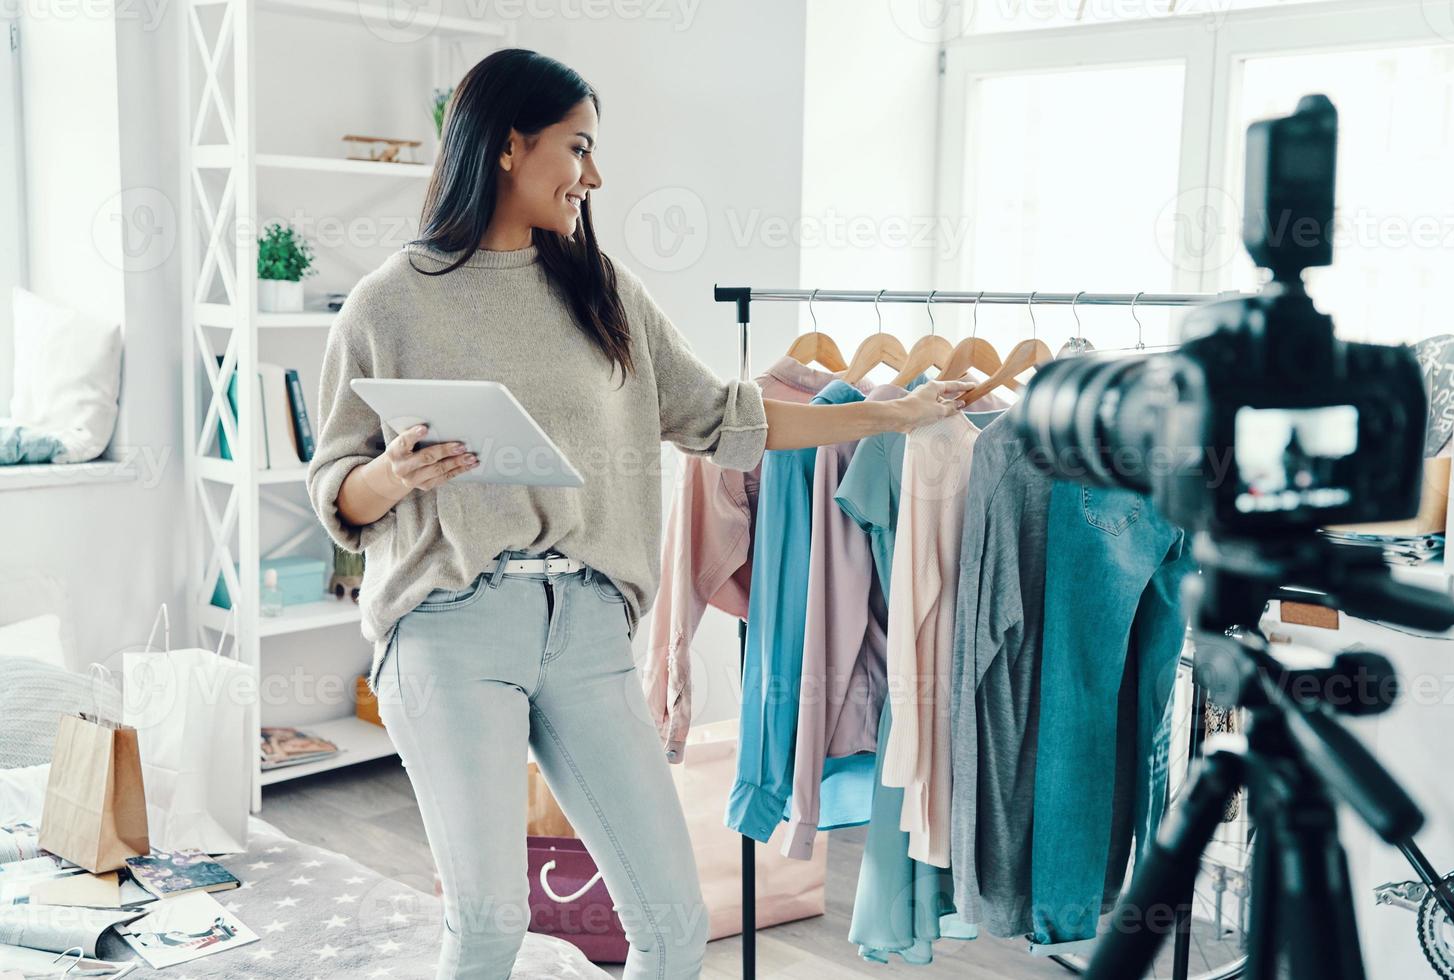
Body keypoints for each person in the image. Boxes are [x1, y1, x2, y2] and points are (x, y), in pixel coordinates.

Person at [307, 47, 976, 980]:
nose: (595, 174)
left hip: (587, 627)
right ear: (508, 146)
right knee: (492, 922)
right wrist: (395, 476)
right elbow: (336, 485)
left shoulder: (602, 289)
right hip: (450, 626)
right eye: (578, 149)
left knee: (670, 927)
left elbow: (724, 417)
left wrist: (892, 414)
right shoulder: (387, 303)